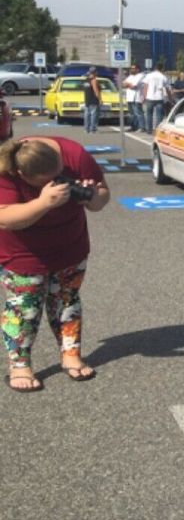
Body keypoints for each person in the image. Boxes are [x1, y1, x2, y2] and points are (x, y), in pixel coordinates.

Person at [0, 137, 110, 391]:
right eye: (45, 180)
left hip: (70, 247)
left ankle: (71, 355)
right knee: (24, 308)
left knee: (67, 300)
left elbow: (103, 197)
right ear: (22, 175)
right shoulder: (5, 168)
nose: (57, 181)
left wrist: (91, 197)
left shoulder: (75, 155)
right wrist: (43, 202)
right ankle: (20, 365)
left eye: (59, 175)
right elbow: (4, 218)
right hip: (22, 252)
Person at [140, 62, 173, 133]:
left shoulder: (149, 75)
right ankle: (158, 130)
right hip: (159, 98)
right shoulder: (163, 77)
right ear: (162, 68)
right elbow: (167, 89)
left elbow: (145, 87)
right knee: (159, 115)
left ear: (155, 68)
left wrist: (144, 97)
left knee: (149, 114)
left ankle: (149, 130)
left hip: (149, 97)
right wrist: (170, 98)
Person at [123, 65, 145, 132]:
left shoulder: (140, 76)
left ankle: (141, 127)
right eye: (131, 68)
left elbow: (134, 86)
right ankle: (133, 127)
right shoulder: (130, 76)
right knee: (131, 114)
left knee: (138, 113)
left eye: (133, 68)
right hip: (129, 98)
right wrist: (128, 84)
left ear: (137, 69)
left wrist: (128, 84)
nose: (131, 69)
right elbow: (123, 84)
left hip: (136, 97)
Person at [82, 68, 102, 134]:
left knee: (87, 115)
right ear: (95, 73)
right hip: (93, 100)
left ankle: (86, 129)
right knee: (94, 115)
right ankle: (92, 129)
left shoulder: (86, 80)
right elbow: (96, 91)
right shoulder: (94, 80)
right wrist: (100, 99)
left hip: (87, 100)